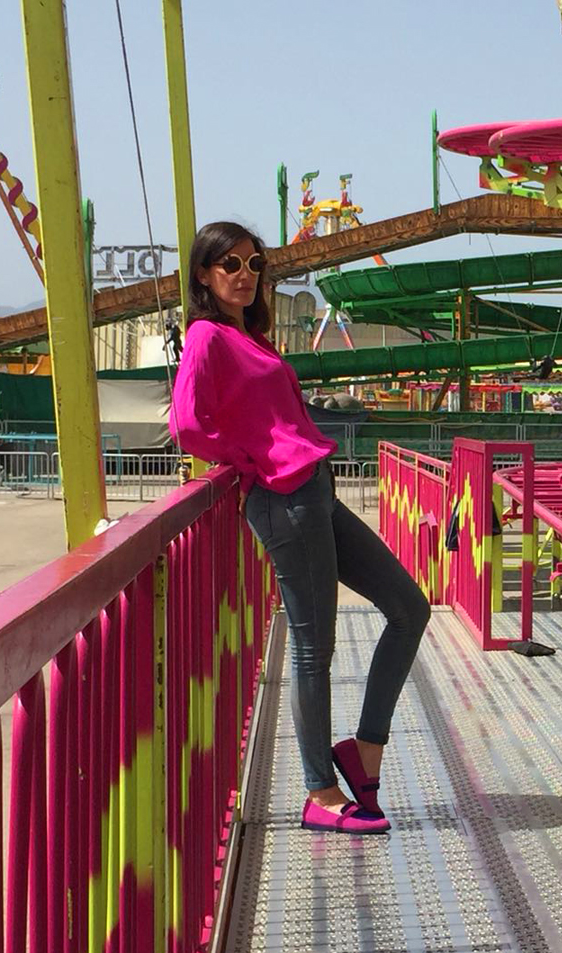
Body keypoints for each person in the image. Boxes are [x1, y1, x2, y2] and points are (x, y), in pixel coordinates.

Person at [169, 221, 430, 835]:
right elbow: (187, 425)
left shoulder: (249, 337)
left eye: (253, 265)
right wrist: (251, 460)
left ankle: (364, 752)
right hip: (284, 497)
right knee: (315, 648)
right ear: (204, 274)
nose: (243, 275)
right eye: (228, 264)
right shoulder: (206, 335)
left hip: (314, 490)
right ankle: (319, 790)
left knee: (409, 608)